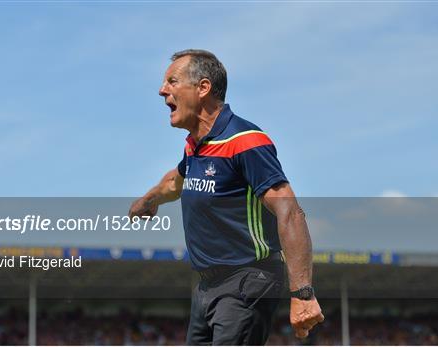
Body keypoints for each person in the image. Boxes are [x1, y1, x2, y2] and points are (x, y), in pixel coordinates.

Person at [129, 49, 324, 345]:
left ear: (203, 88)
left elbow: (290, 211)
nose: (162, 90)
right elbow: (174, 183)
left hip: (248, 280)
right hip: (208, 286)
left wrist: (303, 295)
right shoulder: (196, 146)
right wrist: (148, 200)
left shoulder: (244, 141)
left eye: (172, 81)